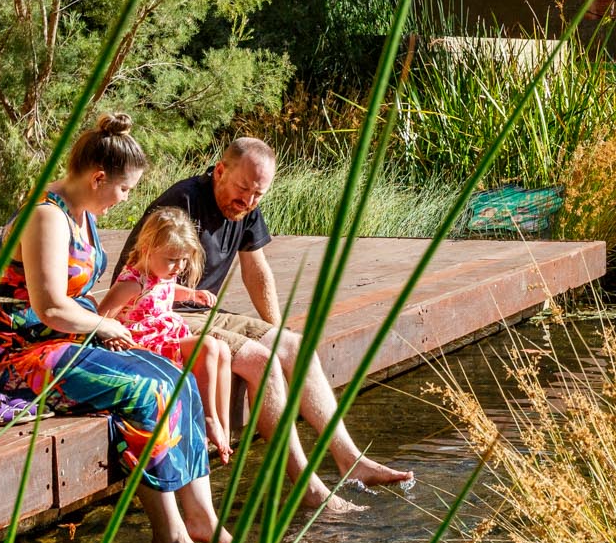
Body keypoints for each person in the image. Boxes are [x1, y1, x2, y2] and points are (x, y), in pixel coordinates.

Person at [0, 114, 224, 543]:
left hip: (61, 340)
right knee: (146, 392)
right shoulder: (46, 216)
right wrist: (104, 327)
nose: (126, 200)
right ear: (98, 177)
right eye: (124, 189)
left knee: (176, 378)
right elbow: (49, 307)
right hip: (15, 353)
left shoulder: (81, 212)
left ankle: (201, 517)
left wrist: (100, 327)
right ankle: (171, 539)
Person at [123, 138, 412, 507]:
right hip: (159, 314)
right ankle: (307, 489)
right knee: (263, 361)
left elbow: (256, 271)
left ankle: (349, 459)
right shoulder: (184, 203)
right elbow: (139, 281)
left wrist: (277, 332)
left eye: (258, 194)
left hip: (203, 311)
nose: (247, 201)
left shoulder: (246, 209)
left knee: (294, 346)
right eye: (242, 190)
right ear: (220, 171)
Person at [97, 207, 236, 464]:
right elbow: (101, 315)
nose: (179, 267)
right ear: (148, 248)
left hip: (166, 335)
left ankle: (223, 428)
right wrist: (109, 336)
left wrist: (193, 295)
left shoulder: (161, 272)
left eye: (184, 260)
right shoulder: (133, 282)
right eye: (173, 259)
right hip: (144, 346)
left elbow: (169, 289)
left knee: (224, 350)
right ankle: (208, 417)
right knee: (206, 345)